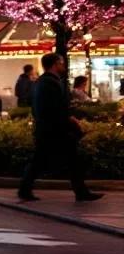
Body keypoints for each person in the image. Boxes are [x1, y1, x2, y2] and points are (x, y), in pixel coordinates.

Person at [18, 53, 103, 203]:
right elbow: (55, 107)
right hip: (54, 129)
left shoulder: (41, 82)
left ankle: (80, 191)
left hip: (47, 128)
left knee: (55, 159)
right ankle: (80, 192)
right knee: (62, 159)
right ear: (56, 64)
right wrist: (70, 119)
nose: (63, 66)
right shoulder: (50, 83)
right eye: (62, 63)